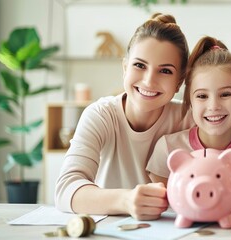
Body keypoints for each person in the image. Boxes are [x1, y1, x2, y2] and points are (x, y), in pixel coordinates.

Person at [54, 13, 194, 221]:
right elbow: (66, 189)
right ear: (124, 67)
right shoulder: (101, 115)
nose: (148, 81)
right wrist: (126, 200)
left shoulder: (189, 119)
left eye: (165, 70)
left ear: (179, 82)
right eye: (139, 65)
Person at [146, 36, 231, 185]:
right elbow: (160, 205)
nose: (213, 106)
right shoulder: (167, 148)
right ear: (190, 100)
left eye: (225, 94)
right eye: (202, 96)